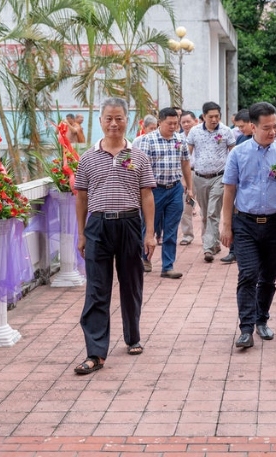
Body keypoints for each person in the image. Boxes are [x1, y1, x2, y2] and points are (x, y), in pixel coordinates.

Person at [73, 97, 157, 375]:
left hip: (130, 224)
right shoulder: (87, 158)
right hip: (98, 226)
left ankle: (132, 336)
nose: (113, 124)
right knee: (97, 288)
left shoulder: (138, 156)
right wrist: (81, 233)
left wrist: (150, 234)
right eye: (108, 118)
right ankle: (96, 353)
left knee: (131, 284)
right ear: (101, 121)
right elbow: (81, 197)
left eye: (119, 118)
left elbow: (147, 195)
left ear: (127, 120)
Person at [220, 102, 276, 349]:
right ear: (253, 127)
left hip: (274, 223)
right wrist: (226, 225)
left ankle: (261, 319)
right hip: (245, 223)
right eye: (267, 127)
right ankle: (246, 329)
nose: (272, 131)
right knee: (248, 274)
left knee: (268, 277)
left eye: (274, 126)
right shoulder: (238, 153)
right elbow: (229, 190)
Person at [135, 107, 193, 278]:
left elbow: (185, 163)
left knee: (171, 228)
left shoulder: (180, 139)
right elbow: (141, 168)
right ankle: (145, 258)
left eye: (176, 123)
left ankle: (168, 266)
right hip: (154, 190)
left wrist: (189, 188)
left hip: (175, 188)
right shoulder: (148, 140)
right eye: (170, 123)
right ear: (160, 122)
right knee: (149, 226)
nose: (173, 127)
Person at [186, 101, 236, 262]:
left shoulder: (226, 131)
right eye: (211, 117)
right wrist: (186, 179)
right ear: (204, 116)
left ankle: (207, 248)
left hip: (220, 177)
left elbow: (233, 153)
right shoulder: (194, 132)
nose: (214, 119)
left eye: (217, 116)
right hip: (199, 177)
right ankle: (214, 243)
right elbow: (187, 155)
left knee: (213, 212)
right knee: (205, 214)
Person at [220, 108, 253, 264]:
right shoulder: (240, 139)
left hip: (252, 188)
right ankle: (233, 251)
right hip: (238, 186)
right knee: (234, 217)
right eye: (238, 127)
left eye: (242, 126)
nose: (240, 129)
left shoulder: (259, 140)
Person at [179, 110, 198, 246]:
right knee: (186, 206)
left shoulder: (201, 136)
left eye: (188, 121)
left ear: (195, 121)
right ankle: (187, 235)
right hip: (185, 174)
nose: (186, 124)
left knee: (207, 209)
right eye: (183, 122)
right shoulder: (178, 139)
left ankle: (208, 237)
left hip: (201, 174)